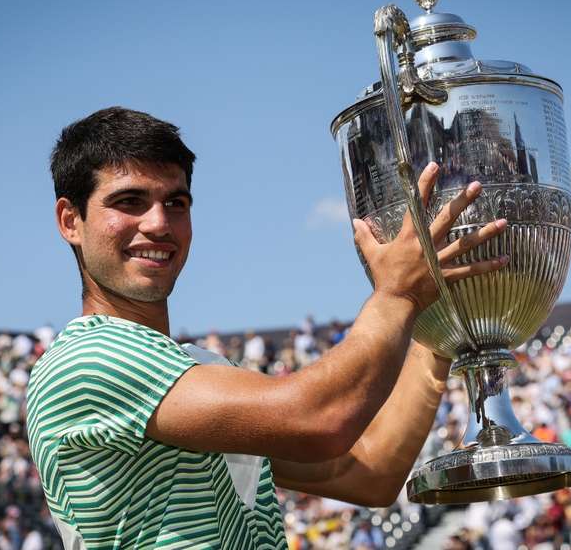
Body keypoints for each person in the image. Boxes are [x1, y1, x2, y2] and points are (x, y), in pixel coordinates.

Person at [26, 106, 508, 548]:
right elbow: (319, 420)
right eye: (129, 201)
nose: (158, 223)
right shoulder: (86, 359)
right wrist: (399, 293)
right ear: (71, 221)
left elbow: (373, 472)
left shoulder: (200, 369)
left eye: (176, 203)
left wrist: (441, 325)